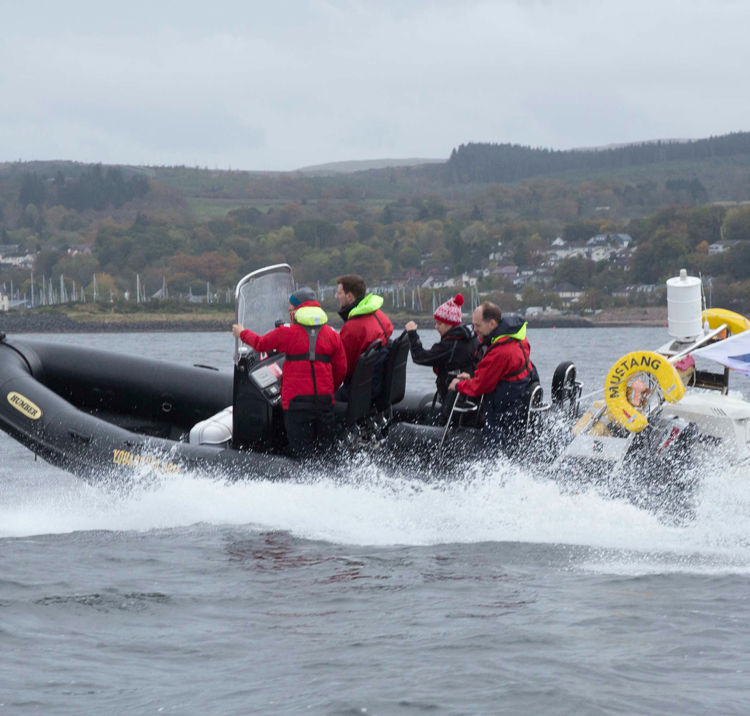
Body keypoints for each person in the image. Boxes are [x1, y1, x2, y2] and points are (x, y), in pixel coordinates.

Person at [232, 286, 347, 458]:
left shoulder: (286, 333)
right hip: (324, 403)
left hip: (297, 404)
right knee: (326, 452)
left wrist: (242, 333)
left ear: (297, 310)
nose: (289, 311)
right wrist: (328, 389)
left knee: (301, 452)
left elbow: (260, 343)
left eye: (291, 308)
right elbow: (341, 369)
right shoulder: (332, 334)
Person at [448, 301, 537, 451]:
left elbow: (481, 386)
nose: (474, 330)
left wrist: (458, 385)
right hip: (518, 399)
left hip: (503, 410)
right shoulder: (517, 338)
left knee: (493, 448)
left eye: (478, 325)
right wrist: (473, 376)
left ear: (492, 323)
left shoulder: (500, 351)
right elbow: (494, 372)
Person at [404, 293, 478, 416]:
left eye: (439, 323)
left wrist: (412, 334)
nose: (436, 327)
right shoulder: (470, 338)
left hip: (455, 402)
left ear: (450, 324)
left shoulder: (450, 344)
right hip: (465, 397)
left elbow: (420, 357)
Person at [335, 274, 393, 400]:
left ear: (349, 296)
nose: (337, 297)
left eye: (339, 293)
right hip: (378, 384)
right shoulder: (379, 315)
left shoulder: (352, 327)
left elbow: (342, 367)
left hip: (361, 391)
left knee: (322, 401)